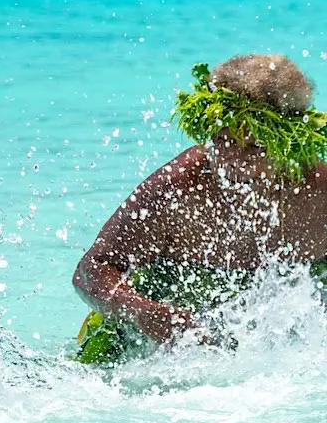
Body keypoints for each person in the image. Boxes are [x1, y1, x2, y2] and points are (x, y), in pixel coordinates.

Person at [73, 55, 327, 364]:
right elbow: (91, 270)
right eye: (223, 139)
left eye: (255, 147)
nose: (233, 157)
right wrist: (143, 313)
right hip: (151, 335)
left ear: (290, 142)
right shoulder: (177, 187)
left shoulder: (319, 191)